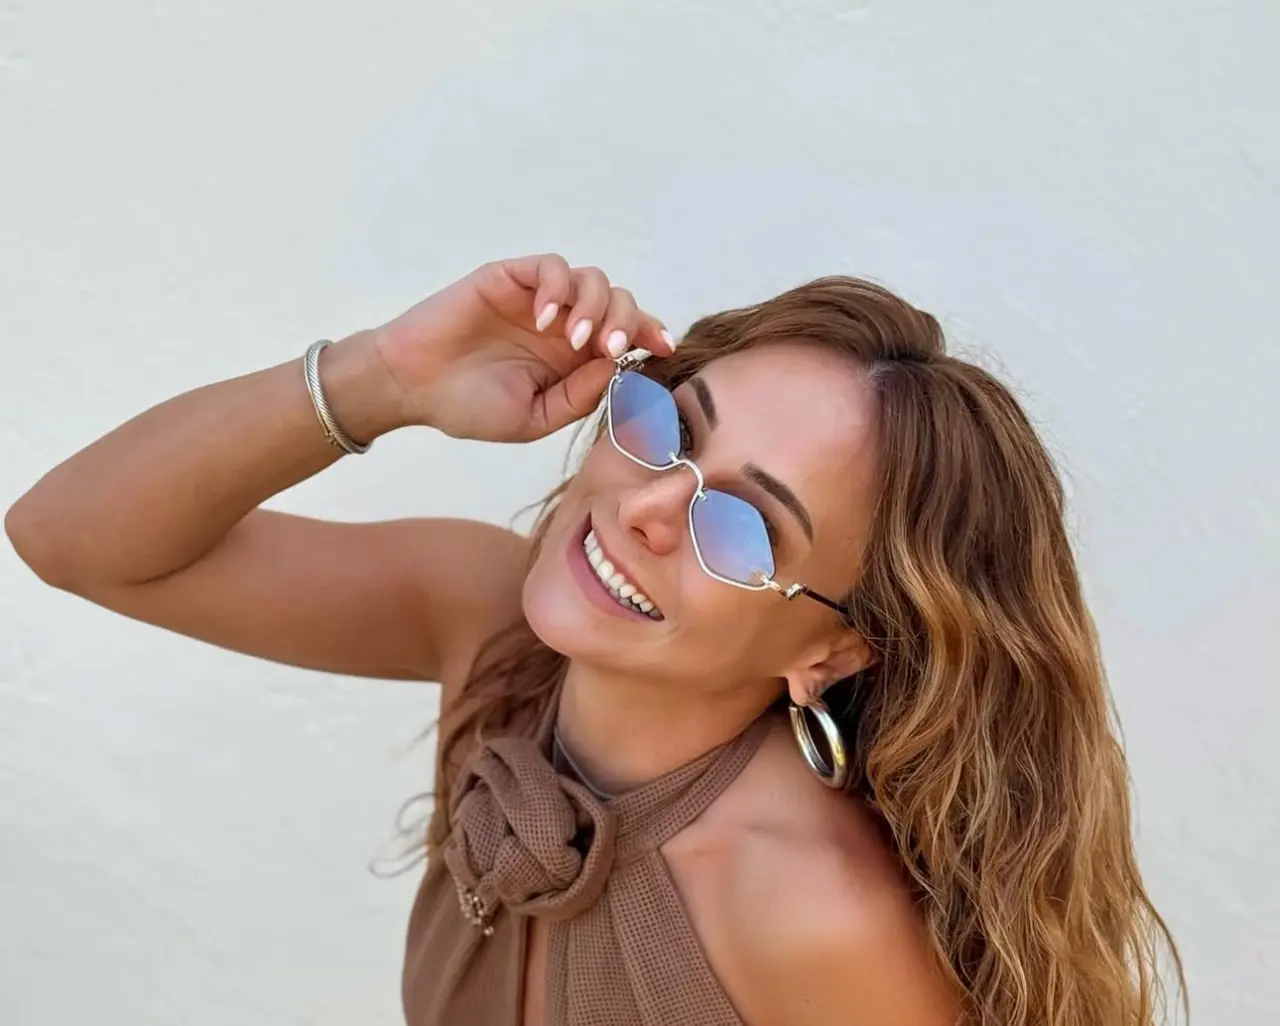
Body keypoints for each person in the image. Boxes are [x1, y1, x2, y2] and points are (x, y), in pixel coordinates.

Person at [6, 254, 1185, 1026]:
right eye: (668, 426)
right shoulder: (486, 626)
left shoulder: (806, 910)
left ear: (830, 652)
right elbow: (71, 538)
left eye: (742, 525)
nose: (645, 506)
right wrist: (388, 376)